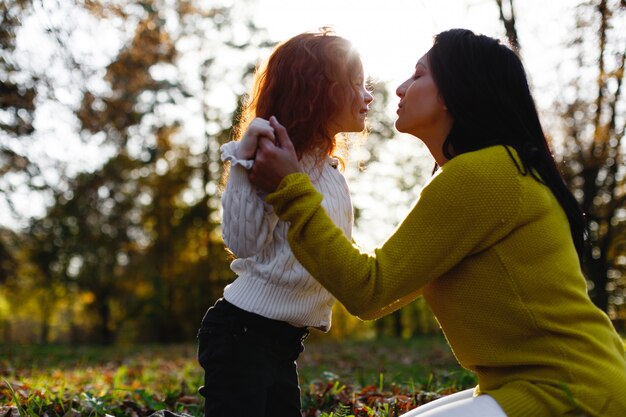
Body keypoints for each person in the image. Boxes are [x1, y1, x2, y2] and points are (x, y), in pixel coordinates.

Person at [246, 29, 626, 417]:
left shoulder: (483, 175)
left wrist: (291, 191)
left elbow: (369, 290)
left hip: (572, 391)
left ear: (454, 92)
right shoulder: (494, 170)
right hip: (547, 382)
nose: (399, 89)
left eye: (418, 75)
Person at [196, 28, 373, 417]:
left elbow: (335, 253)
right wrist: (243, 165)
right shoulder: (275, 161)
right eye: (356, 85)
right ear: (316, 93)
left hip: (285, 342)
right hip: (242, 335)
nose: (368, 96)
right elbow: (242, 241)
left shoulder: (332, 176)